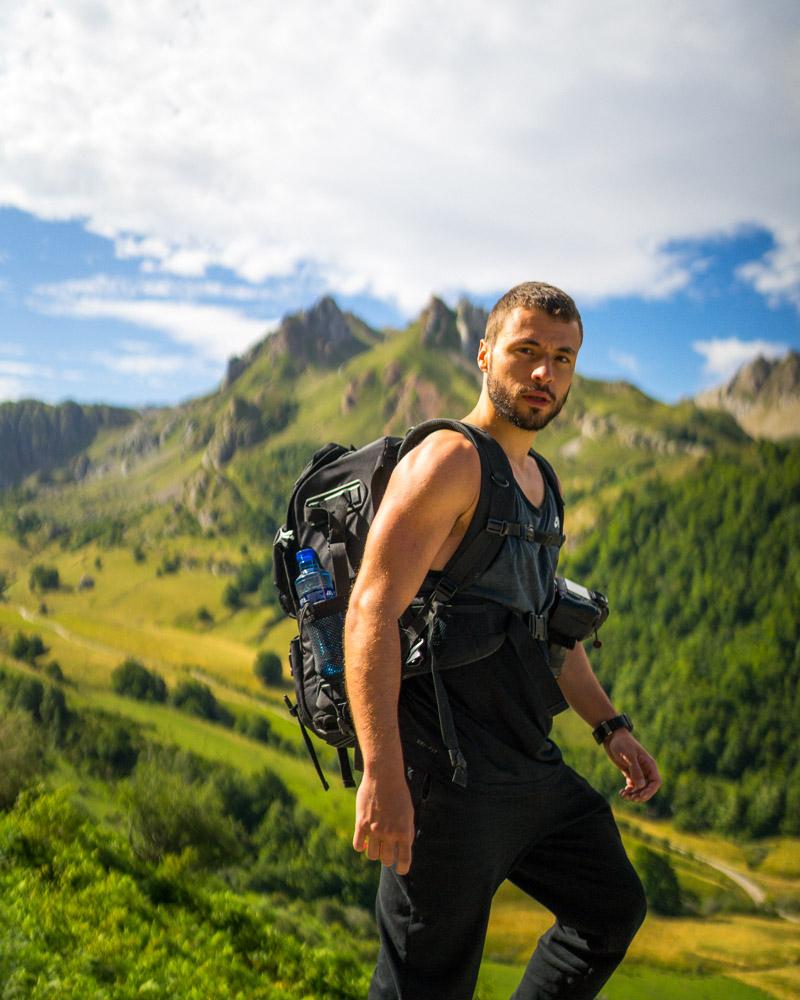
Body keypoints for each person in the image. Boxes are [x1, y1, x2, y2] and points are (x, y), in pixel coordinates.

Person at [344, 281, 661, 1000]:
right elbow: (369, 612)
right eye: (527, 352)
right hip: (445, 777)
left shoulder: (540, 481)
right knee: (424, 984)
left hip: (525, 761)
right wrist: (382, 773)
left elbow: (550, 625)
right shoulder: (450, 461)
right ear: (485, 354)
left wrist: (609, 725)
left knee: (610, 908)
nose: (546, 374)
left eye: (563, 358)